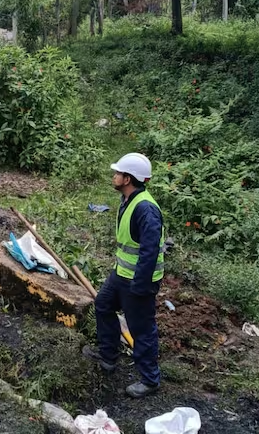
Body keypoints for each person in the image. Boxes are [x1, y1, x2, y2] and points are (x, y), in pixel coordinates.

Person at [82, 153, 165, 399]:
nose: (114, 176)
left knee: (142, 329)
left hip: (138, 280)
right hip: (122, 275)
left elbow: (149, 252)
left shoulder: (146, 209)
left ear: (128, 178)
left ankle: (150, 380)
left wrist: (140, 286)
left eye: (117, 173)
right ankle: (108, 356)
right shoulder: (128, 200)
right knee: (103, 304)